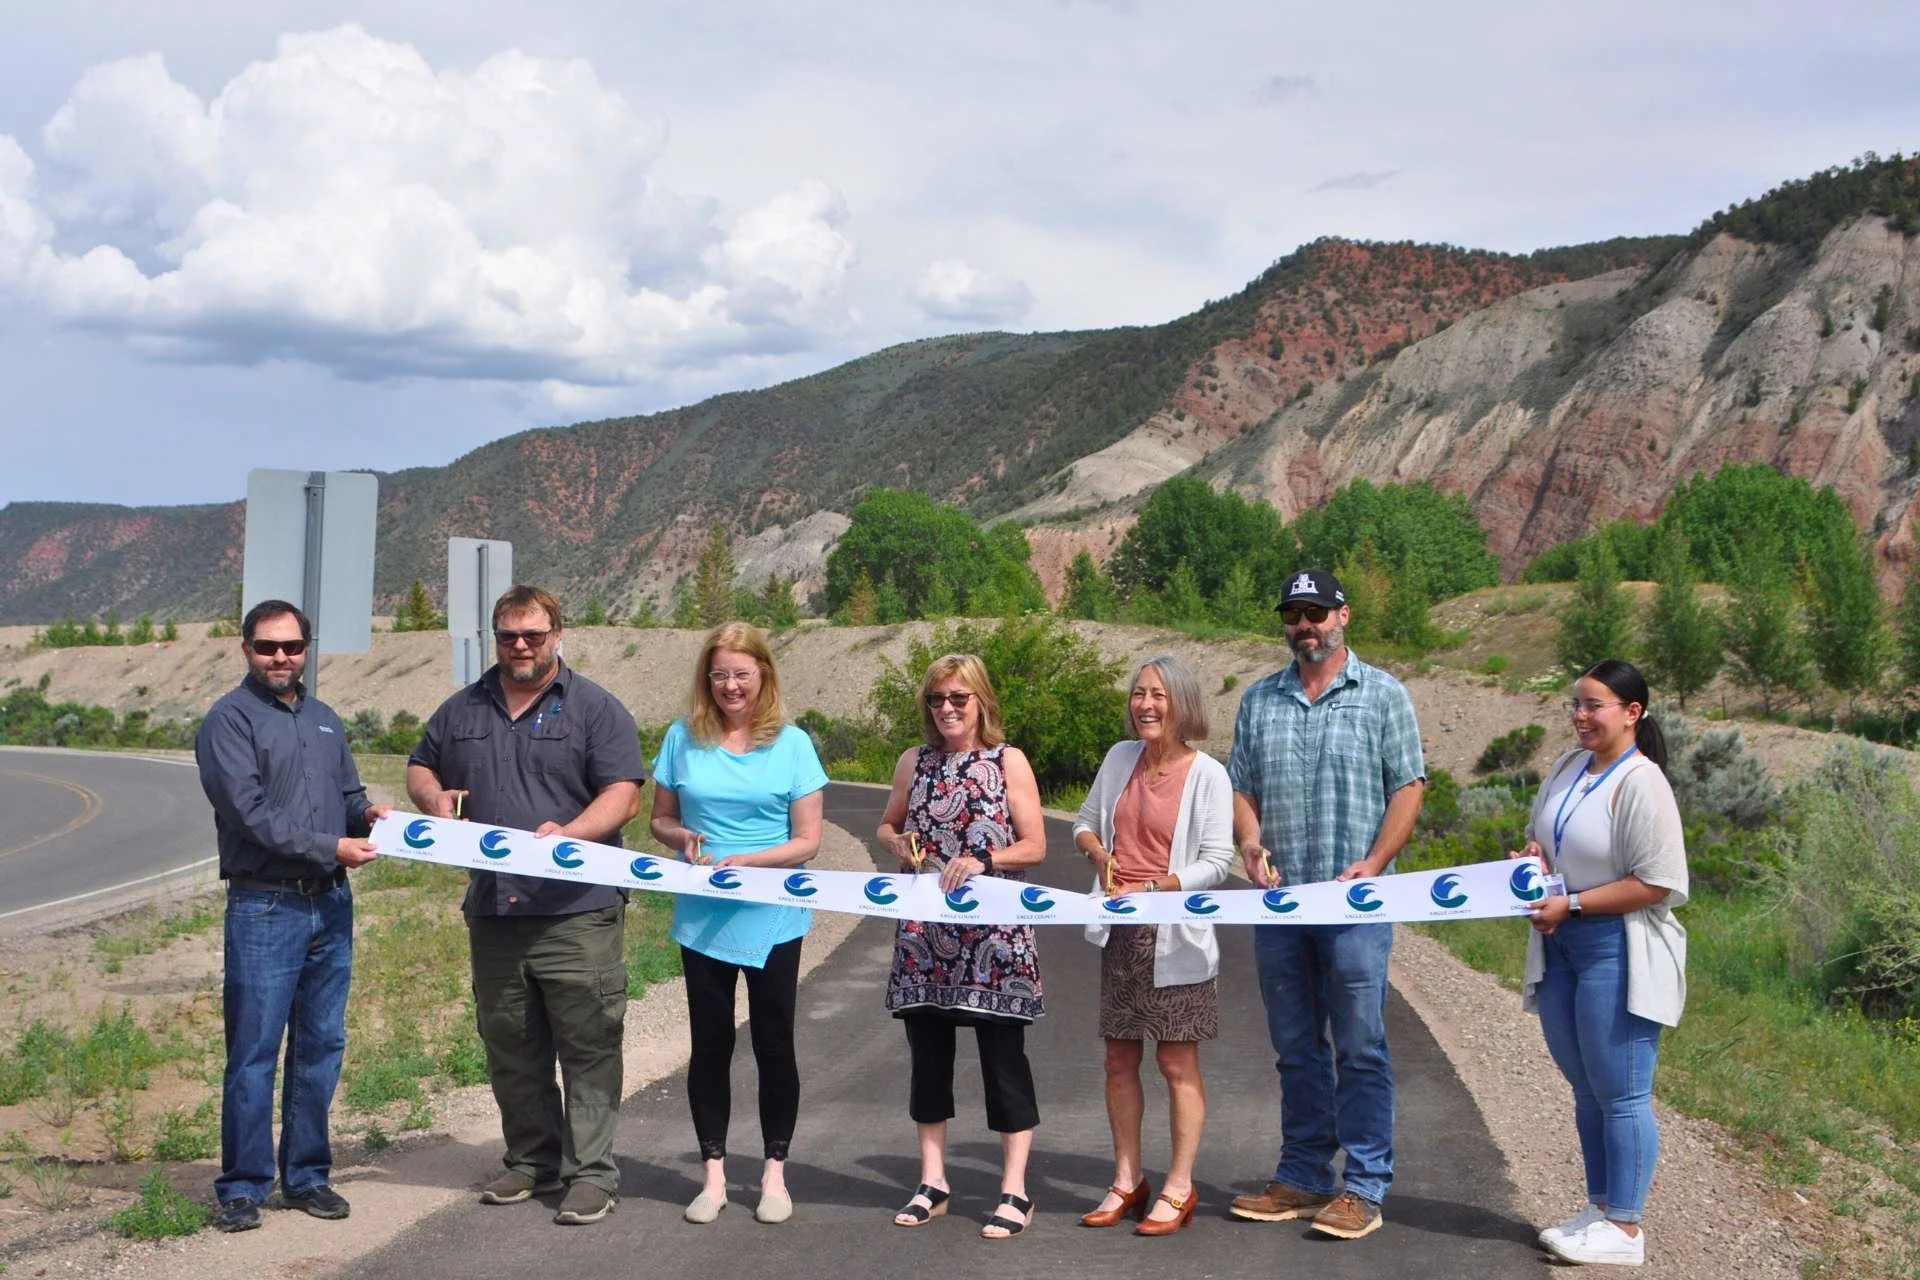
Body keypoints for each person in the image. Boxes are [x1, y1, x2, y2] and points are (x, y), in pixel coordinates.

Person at [406, 586, 645, 1227]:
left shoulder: (595, 708)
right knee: (511, 1044)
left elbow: (624, 795)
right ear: (495, 638)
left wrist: (569, 837)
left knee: (588, 1044)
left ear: (557, 635)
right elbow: (420, 765)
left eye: (533, 635)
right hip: (495, 910)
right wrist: (432, 798)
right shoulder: (462, 709)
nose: (520, 646)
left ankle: (590, 1174)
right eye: (508, 635)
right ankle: (531, 1160)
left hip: (577, 910)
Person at [1227, 568, 1425, 1241]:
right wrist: (1249, 842)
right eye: (1293, 615)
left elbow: (1408, 787)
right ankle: (1304, 1176)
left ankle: (1364, 1186)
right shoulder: (1260, 699)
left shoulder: (1384, 694)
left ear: (1343, 615)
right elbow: (1243, 786)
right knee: (1295, 1047)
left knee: (1361, 1044)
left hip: (1355, 907)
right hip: (1282, 907)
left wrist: (1376, 862)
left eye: (1315, 613)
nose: (1304, 625)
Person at [195, 599, 390, 1233]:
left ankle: (306, 1177)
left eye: (292, 646)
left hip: (330, 903)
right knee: (254, 1049)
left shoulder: (326, 719)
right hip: (265, 906)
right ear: (245, 649)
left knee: (321, 1044)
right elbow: (250, 815)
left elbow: (349, 797)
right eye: (267, 646)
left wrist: (371, 817)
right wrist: (332, 845)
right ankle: (243, 1186)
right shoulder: (228, 721)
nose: (280, 657)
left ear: (307, 648)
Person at [648, 622, 827, 1226]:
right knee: (710, 1044)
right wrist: (682, 837)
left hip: (773, 913)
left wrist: (750, 862)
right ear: (707, 678)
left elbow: (808, 840)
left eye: (742, 674)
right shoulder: (681, 738)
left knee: (774, 1042)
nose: (731, 685)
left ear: (763, 676)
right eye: (720, 674)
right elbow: (660, 820)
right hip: (703, 913)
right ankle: (714, 1176)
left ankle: (774, 1174)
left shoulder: (794, 744)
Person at [1515, 659, 1687, 1267]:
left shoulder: (1642, 782)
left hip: (1616, 947)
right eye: (1576, 704)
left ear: (1632, 713)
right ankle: (1601, 1208)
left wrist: (1573, 904)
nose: (1580, 716)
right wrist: (1532, 856)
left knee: (1623, 1092)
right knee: (1587, 1088)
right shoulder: (1568, 766)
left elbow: (1656, 883)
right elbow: (1544, 835)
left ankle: (1626, 1228)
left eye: (1594, 705)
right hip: (1560, 945)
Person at [875, 654, 1048, 1239]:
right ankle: (933, 1182)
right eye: (936, 699)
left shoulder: (1008, 761)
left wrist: (985, 861)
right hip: (924, 938)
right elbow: (886, 825)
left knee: (1004, 1063)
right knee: (928, 1061)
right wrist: (896, 842)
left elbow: (1036, 845)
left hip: (996, 939)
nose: (946, 708)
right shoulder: (914, 761)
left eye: (958, 698)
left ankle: (1015, 1190)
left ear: (980, 701)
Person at [1073, 655, 1234, 1236]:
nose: (1145, 704)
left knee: (1175, 1062)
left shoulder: (1209, 775)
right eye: (1139, 693)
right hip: (1121, 933)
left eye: (1158, 695)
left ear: (1182, 704)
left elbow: (1218, 862)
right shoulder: (1120, 758)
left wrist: (1157, 887)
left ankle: (1179, 1187)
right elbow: (1083, 822)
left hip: (1178, 938)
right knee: (1119, 1060)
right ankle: (1127, 1180)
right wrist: (1098, 852)